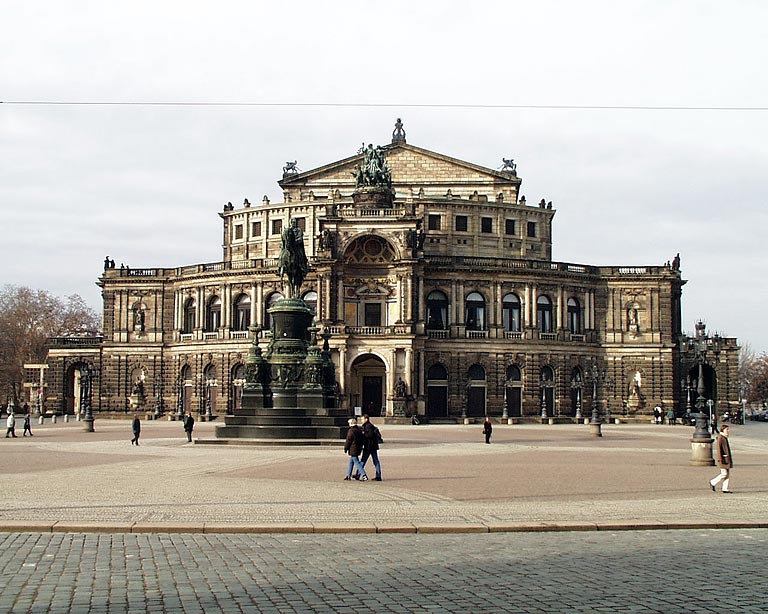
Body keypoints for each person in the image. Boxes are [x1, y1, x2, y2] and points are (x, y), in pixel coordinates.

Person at [709, 423, 733, 493]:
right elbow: (719, 449)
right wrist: (720, 459)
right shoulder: (721, 438)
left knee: (727, 474)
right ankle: (712, 482)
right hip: (723, 459)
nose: (728, 431)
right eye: (727, 429)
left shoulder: (724, 437)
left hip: (726, 458)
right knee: (724, 473)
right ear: (723, 430)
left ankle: (725, 488)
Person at [357, 415, 382, 481]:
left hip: (369, 446)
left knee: (363, 461)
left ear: (366, 419)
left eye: (362, 419)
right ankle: (378, 475)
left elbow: (370, 435)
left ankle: (359, 474)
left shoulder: (368, 426)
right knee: (375, 460)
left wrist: (363, 433)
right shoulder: (369, 426)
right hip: (373, 446)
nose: (361, 421)